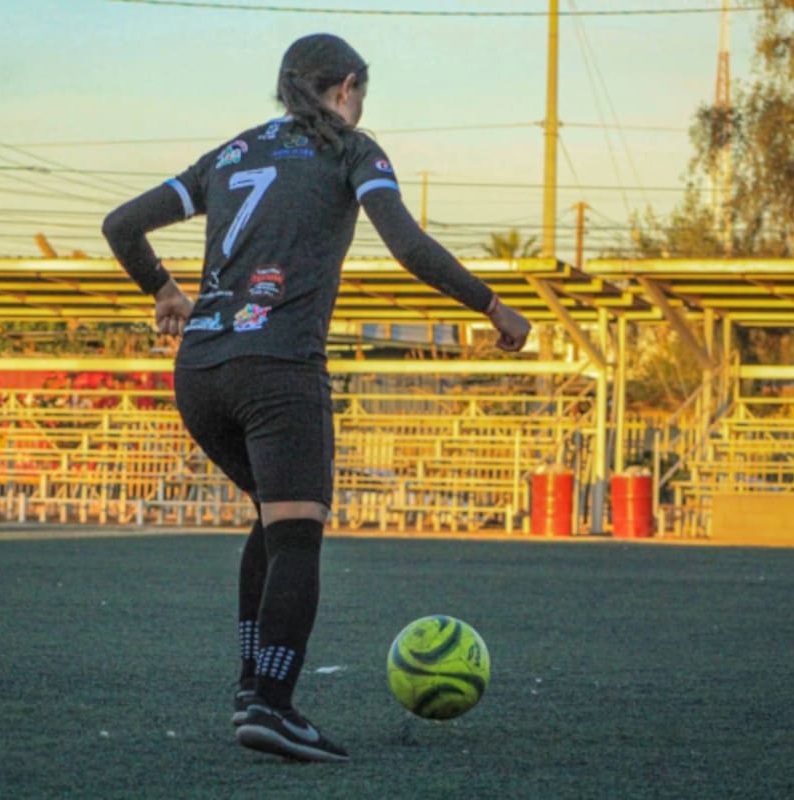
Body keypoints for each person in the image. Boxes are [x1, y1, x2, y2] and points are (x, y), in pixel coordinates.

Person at [102, 33, 530, 763]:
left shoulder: (233, 153)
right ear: (347, 87)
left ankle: (252, 690)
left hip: (200, 371)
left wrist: (164, 289)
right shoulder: (351, 150)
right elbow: (407, 245)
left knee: (275, 521)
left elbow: (120, 225)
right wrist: (492, 305)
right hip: (278, 370)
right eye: (361, 91)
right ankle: (273, 705)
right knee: (298, 535)